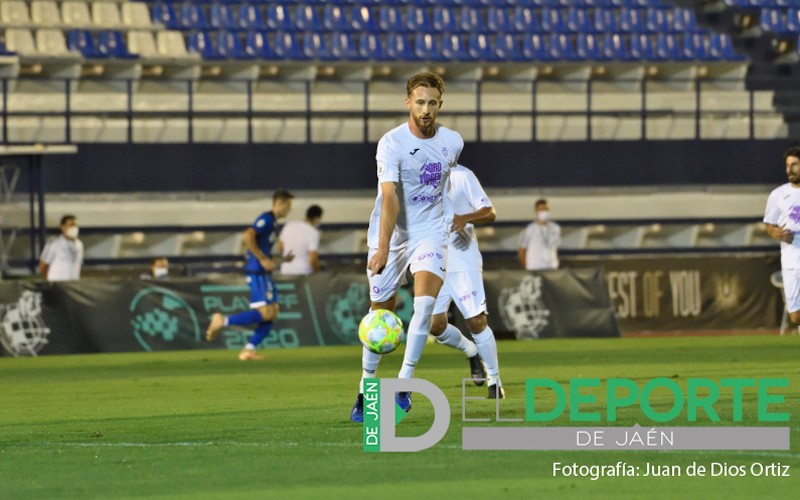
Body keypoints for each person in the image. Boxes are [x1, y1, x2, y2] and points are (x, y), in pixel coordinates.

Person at [350, 71, 464, 423]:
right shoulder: (391, 143)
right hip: (392, 236)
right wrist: (383, 247)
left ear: (440, 104)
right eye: (419, 102)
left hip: (430, 233)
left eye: (432, 102)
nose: (425, 109)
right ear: (408, 103)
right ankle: (366, 391)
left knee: (424, 306)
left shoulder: (453, 142)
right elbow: (389, 198)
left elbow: (447, 186)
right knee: (379, 316)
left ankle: (402, 387)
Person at [430, 164, 504, 399]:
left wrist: (465, 217)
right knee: (434, 326)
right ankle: (471, 351)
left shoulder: (462, 175)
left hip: (462, 258)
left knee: (475, 321)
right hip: (432, 259)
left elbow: (489, 212)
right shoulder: (418, 175)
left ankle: (494, 380)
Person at [206, 190, 293, 360]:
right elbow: (247, 235)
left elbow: (264, 250)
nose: (289, 210)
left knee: (272, 312)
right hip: (257, 272)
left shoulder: (273, 223)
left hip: (264, 272)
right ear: (278, 204)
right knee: (265, 312)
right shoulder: (266, 219)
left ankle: (249, 349)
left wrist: (281, 258)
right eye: (288, 206)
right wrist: (261, 259)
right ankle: (222, 321)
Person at [764, 146, 800, 328]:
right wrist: (775, 233)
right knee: (795, 317)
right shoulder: (778, 195)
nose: (789, 170)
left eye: (794, 165)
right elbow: (769, 226)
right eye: (787, 165)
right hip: (791, 260)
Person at [278, 205, 323, 276]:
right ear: (317, 218)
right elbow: (312, 259)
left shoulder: (289, 225)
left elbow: (280, 247)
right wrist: (318, 273)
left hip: (286, 271)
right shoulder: (314, 233)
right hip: (303, 273)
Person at [518, 199, 561, 271]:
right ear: (536, 211)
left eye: (546, 209)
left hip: (551, 267)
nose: (544, 212)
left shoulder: (555, 228)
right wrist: (527, 266)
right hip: (535, 267)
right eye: (541, 209)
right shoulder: (529, 229)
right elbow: (521, 250)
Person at [39, 214, 83, 281]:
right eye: (71, 225)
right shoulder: (53, 243)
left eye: (75, 225)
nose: (74, 228)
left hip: (73, 285)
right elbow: (42, 266)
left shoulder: (79, 244)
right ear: (63, 227)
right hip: (58, 285)